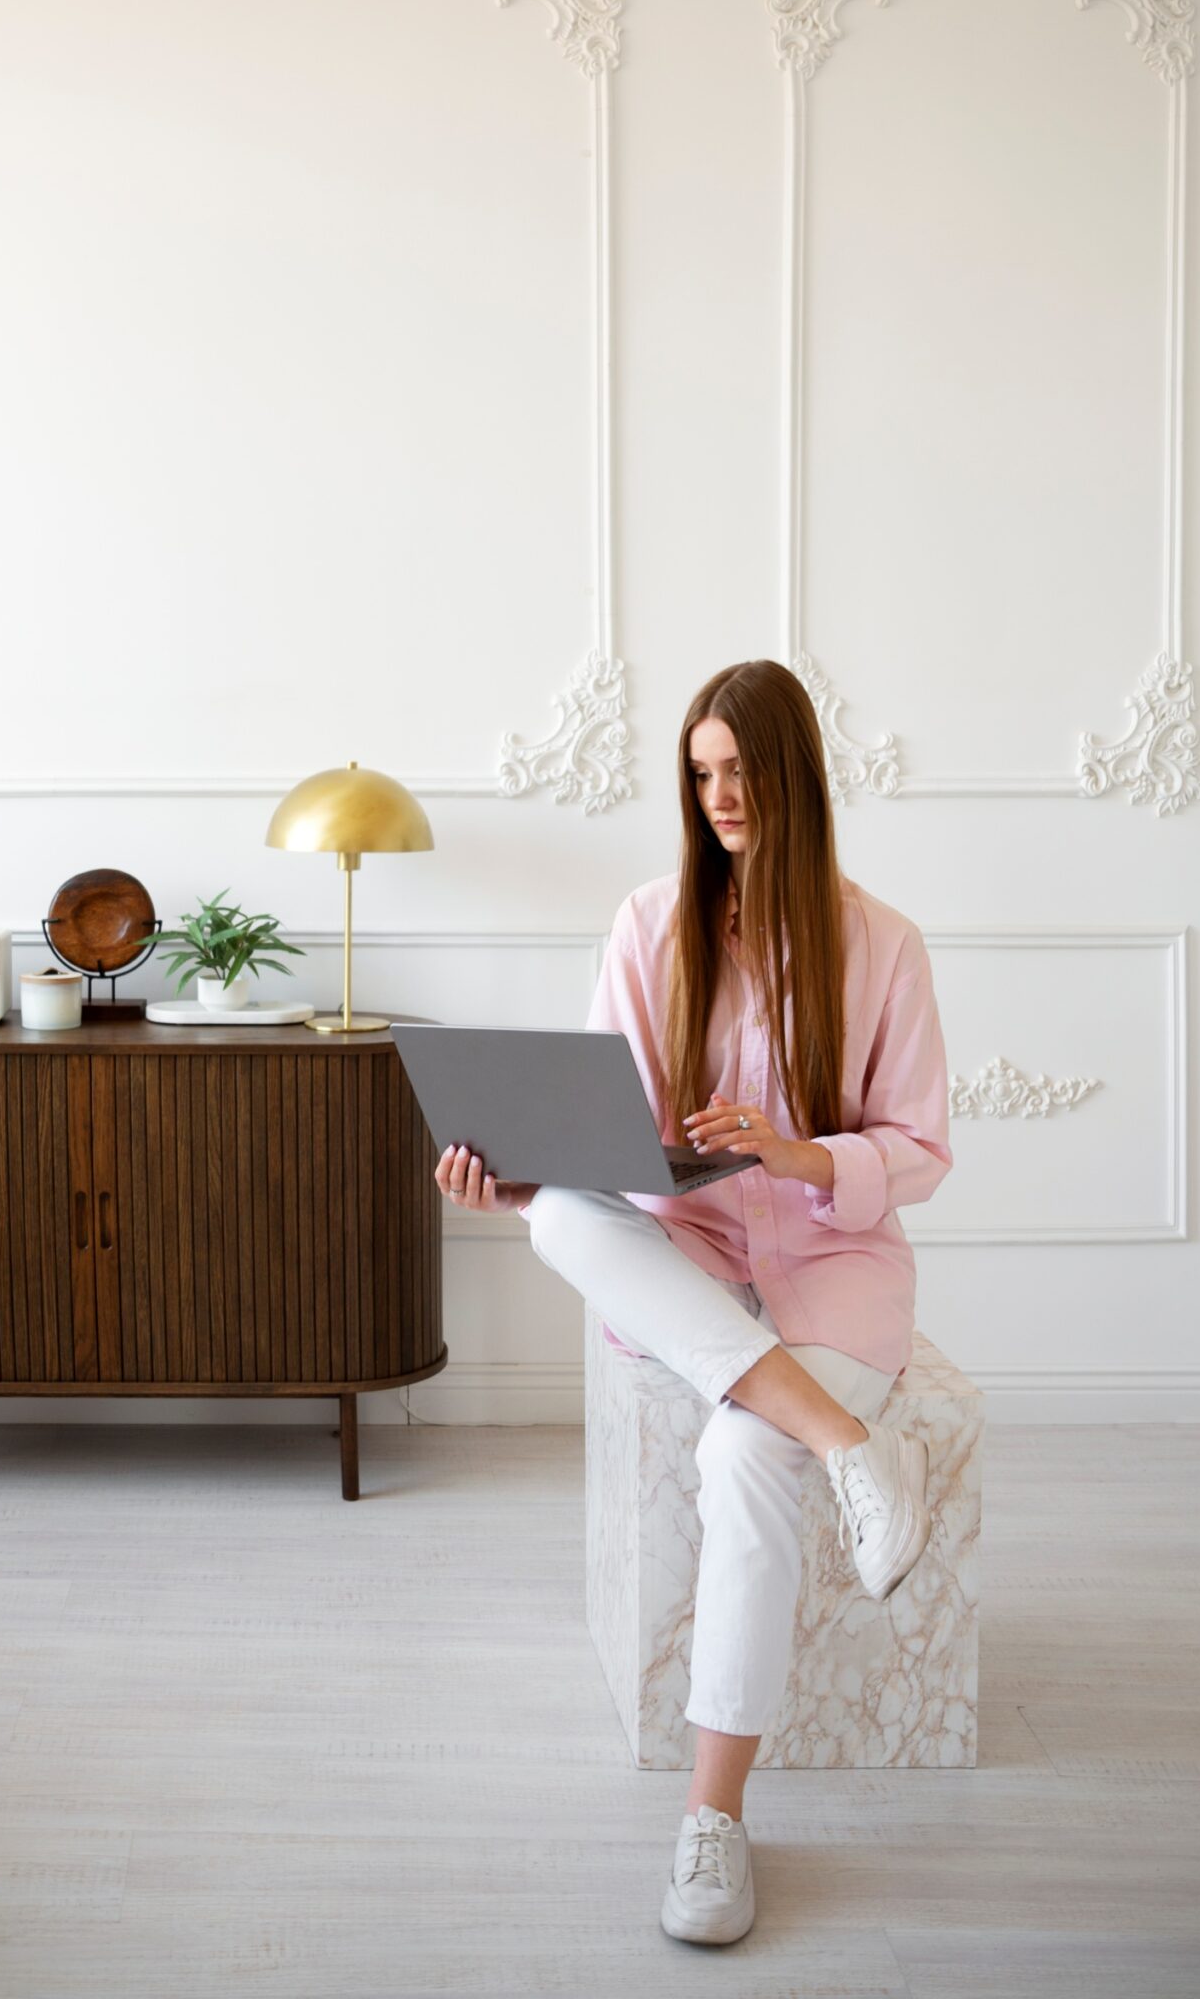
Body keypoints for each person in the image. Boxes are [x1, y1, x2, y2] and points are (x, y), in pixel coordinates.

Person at [433, 656, 953, 1947]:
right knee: (557, 1212)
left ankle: (712, 1819)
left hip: (835, 1277)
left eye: (741, 770)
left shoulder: (883, 944)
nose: (720, 795)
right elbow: (599, 1132)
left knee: (742, 1449)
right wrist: (515, 1178)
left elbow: (923, 1150)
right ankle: (851, 1445)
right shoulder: (648, 924)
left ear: (794, 776)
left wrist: (794, 1153)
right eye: (702, 773)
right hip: (689, 1262)